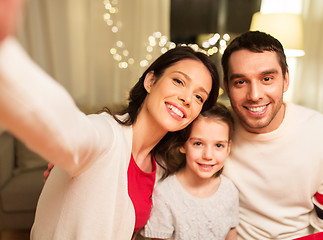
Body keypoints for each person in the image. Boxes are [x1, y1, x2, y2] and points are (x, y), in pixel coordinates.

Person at [0, 24, 220, 240]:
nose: (187, 98)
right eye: (179, 81)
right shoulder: (105, 135)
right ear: (151, 81)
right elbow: (64, 127)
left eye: (199, 97)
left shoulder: (160, 167)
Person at [221, 30, 323, 239]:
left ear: (286, 79)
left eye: (267, 78)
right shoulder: (213, 132)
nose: (255, 95)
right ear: (226, 87)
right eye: (241, 82)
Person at [140, 103, 239, 240]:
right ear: (182, 144)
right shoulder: (165, 196)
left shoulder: (229, 190)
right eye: (198, 143)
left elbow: (231, 234)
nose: (208, 155)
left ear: (228, 148)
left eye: (218, 145)